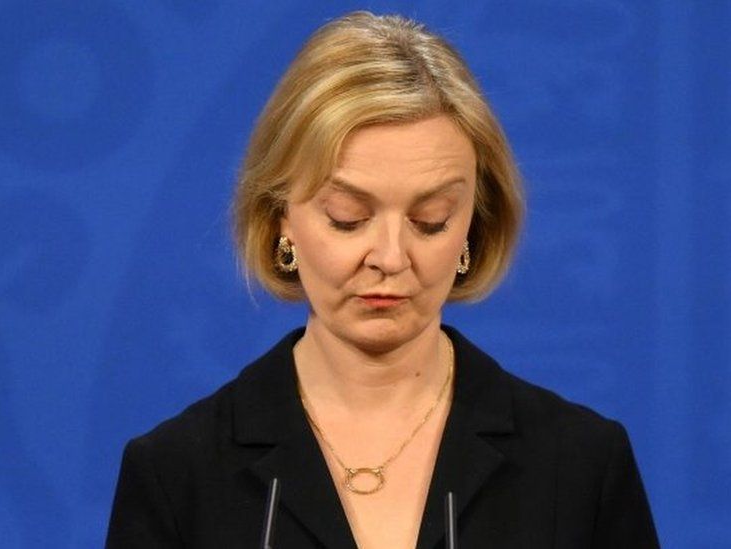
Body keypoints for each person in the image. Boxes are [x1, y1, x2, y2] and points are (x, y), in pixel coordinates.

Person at [107, 11, 658, 548]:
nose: (391, 257)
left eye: (430, 220)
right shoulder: (176, 475)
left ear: (473, 223)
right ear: (282, 218)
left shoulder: (582, 466)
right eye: (348, 217)